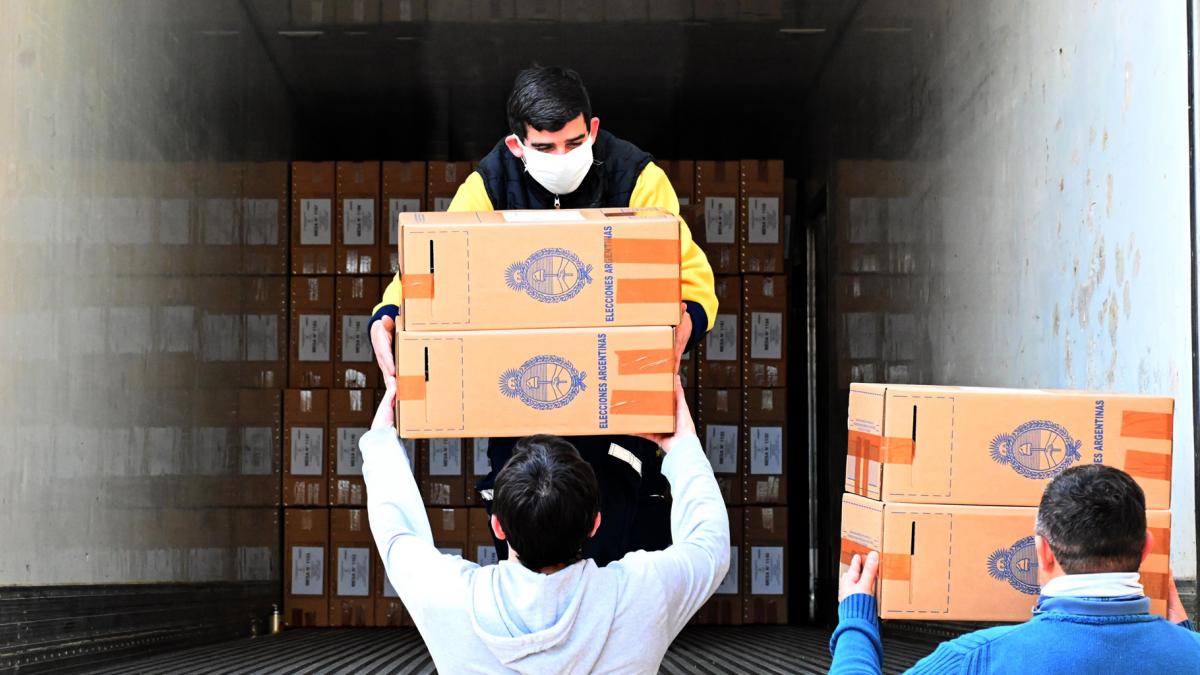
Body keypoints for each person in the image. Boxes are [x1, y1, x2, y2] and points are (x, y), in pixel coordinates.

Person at [368, 64, 718, 565]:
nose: (563, 158)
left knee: (607, 553)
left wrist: (683, 322)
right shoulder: (490, 183)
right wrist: (390, 313)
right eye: (546, 148)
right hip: (519, 420)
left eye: (575, 143)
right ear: (517, 145)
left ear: (592, 130)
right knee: (526, 554)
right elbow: (432, 262)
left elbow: (689, 272)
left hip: (611, 414)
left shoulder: (637, 178)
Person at [359, 375, 729, 674]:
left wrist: (381, 441)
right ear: (596, 524)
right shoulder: (643, 596)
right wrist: (681, 446)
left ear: (498, 526)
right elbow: (709, 544)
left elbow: (396, 532)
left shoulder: (452, 601)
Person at [829, 464, 1200, 674]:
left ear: (1043, 551)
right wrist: (1186, 637)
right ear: (1148, 547)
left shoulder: (976, 660)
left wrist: (856, 621)